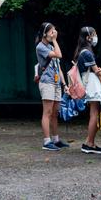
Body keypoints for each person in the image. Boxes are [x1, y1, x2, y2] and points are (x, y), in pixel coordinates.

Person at [74, 26, 101, 155]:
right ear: (88, 37)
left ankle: (89, 142)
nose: (95, 37)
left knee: (94, 113)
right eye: (94, 34)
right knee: (94, 114)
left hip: (89, 83)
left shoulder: (81, 52)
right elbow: (97, 72)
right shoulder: (87, 53)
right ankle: (89, 144)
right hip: (92, 84)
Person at [35, 22, 69, 151]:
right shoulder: (41, 47)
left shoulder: (50, 46)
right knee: (47, 112)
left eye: (54, 31)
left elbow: (58, 68)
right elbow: (59, 54)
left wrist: (64, 84)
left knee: (55, 113)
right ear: (45, 33)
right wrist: (55, 41)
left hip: (56, 83)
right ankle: (46, 141)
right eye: (51, 31)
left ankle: (56, 139)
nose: (54, 33)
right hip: (47, 82)